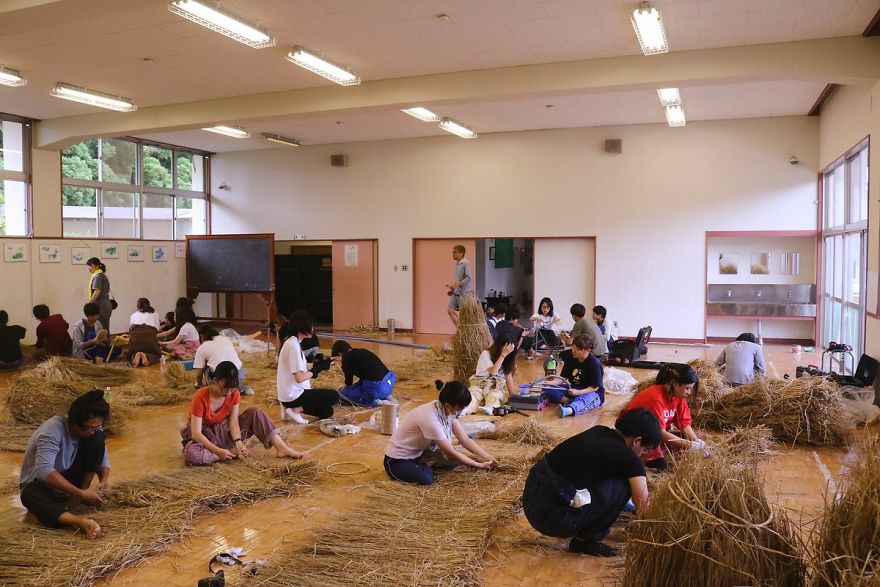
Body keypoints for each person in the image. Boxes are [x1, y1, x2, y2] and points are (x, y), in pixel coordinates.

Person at [522, 408, 661, 557]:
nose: (643, 455)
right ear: (637, 441)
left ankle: (579, 526)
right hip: (551, 517)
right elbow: (643, 506)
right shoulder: (629, 459)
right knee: (624, 486)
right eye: (645, 450)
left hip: (532, 501)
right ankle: (585, 541)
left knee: (617, 480)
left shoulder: (599, 431)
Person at [19, 389, 111, 539]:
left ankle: (76, 496)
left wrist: (103, 481)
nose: (92, 431)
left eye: (96, 427)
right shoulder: (53, 430)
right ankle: (80, 522)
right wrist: (79, 493)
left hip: (69, 483)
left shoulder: (92, 433)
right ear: (74, 421)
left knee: (98, 439)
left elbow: (102, 456)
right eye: (89, 427)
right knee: (29, 496)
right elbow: (43, 471)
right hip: (41, 485)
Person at [181, 361, 303, 466]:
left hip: (225, 431)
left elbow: (233, 422)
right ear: (215, 380)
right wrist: (218, 452)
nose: (228, 392)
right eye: (224, 387)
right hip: (206, 435)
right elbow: (196, 434)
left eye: (232, 388)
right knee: (192, 455)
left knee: (256, 412)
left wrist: (238, 442)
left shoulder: (234, 393)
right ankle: (228, 453)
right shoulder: (201, 396)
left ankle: (282, 448)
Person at [384, 380, 498, 485]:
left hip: (417, 454)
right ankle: (425, 464)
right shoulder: (431, 418)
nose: (460, 413)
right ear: (449, 406)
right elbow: (451, 452)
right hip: (397, 460)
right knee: (426, 478)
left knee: (456, 462)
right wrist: (479, 465)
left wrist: (486, 456)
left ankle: (426, 461)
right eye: (459, 409)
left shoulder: (444, 409)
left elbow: (465, 439)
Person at [621, 364, 704, 471]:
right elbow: (659, 433)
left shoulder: (678, 396)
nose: (689, 392)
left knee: (698, 440)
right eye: (687, 388)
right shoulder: (654, 398)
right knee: (661, 467)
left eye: (691, 389)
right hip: (637, 438)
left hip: (654, 436)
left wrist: (695, 441)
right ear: (675, 384)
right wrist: (689, 445)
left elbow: (684, 423)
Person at [276, 310, 339, 424]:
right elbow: (299, 378)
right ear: (303, 326)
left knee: (327, 412)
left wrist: (325, 363)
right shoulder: (293, 346)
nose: (313, 329)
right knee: (334, 396)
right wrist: (316, 370)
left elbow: (304, 365)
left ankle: (289, 408)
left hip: (288, 395)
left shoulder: (292, 342)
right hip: (294, 395)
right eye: (311, 325)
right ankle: (296, 409)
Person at [330, 340, 396, 407]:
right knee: (360, 384)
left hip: (378, 387)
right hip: (389, 382)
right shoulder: (363, 351)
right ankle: (386, 396)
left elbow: (349, 382)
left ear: (340, 354)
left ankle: (377, 402)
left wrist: (344, 389)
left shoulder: (346, 359)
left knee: (342, 395)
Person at [464, 333, 516, 415]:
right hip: (480, 384)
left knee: (494, 396)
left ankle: (490, 410)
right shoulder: (486, 354)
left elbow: (508, 377)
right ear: (499, 345)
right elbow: (493, 371)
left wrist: (514, 398)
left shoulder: (508, 358)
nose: (508, 351)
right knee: (473, 396)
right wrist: (503, 355)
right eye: (506, 348)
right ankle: (464, 411)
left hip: (496, 387)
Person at [193, 325, 254, 395]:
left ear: (201, 336)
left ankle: (216, 387)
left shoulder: (202, 347)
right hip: (238, 375)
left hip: (221, 379)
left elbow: (199, 374)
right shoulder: (225, 339)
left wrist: (199, 384)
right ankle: (240, 387)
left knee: (205, 366)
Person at [554, 334, 605, 418]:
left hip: (591, 392)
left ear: (587, 351)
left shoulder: (594, 363)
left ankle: (569, 410)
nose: (573, 351)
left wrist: (579, 392)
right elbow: (562, 378)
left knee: (587, 399)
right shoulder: (570, 358)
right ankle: (569, 401)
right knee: (548, 389)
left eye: (576, 349)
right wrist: (548, 383)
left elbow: (595, 387)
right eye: (572, 347)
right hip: (573, 388)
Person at [446, 244, 473, 327]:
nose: (453, 254)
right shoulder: (457, 263)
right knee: (450, 310)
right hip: (457, 292)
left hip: (464, 293)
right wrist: (453, 289)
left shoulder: (465, 263)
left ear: (461, 253)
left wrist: (458, 284)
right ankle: (460, 329)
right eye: (452, 252)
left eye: (455, 252)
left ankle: (463, 331)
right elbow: (458, 279)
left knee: (463, 314)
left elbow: (468, 278)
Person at [86, 257, 114, 335]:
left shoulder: (98, 276)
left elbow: (97, 291)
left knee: (102, 330)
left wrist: (89, 303)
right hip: (104, 305)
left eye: (90, 266)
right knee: (103, 328)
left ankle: (105, 347)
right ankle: (105, 346)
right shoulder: (101, 275)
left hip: (101, 306)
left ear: (96, 266)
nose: (89, 268)